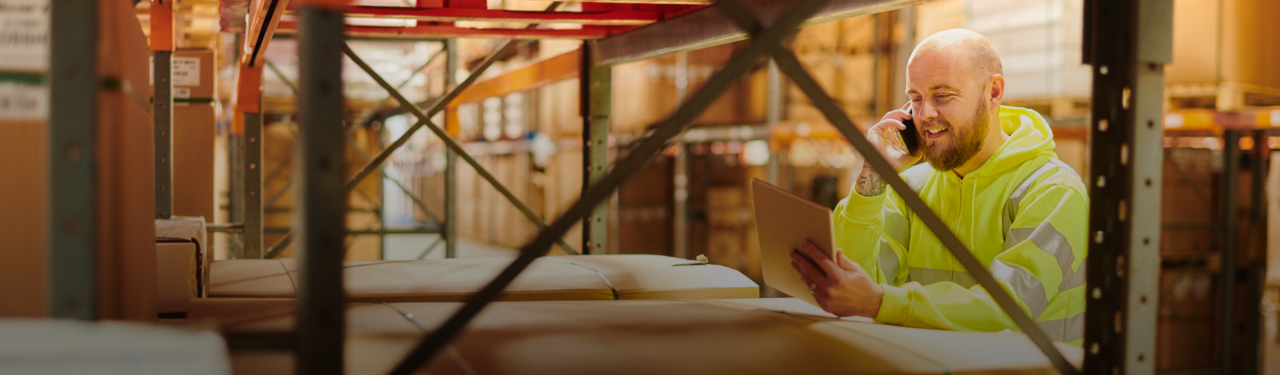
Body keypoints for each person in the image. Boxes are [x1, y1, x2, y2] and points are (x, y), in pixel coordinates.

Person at [788, 29, 1089, 346]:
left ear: (994, 93)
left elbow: (1009, 308)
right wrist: (873, 177)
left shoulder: (1054, 190)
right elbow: (850, 283)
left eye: (943, 96)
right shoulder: (909, 188)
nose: (925, 114)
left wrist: (879, 303)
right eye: (915, 99)